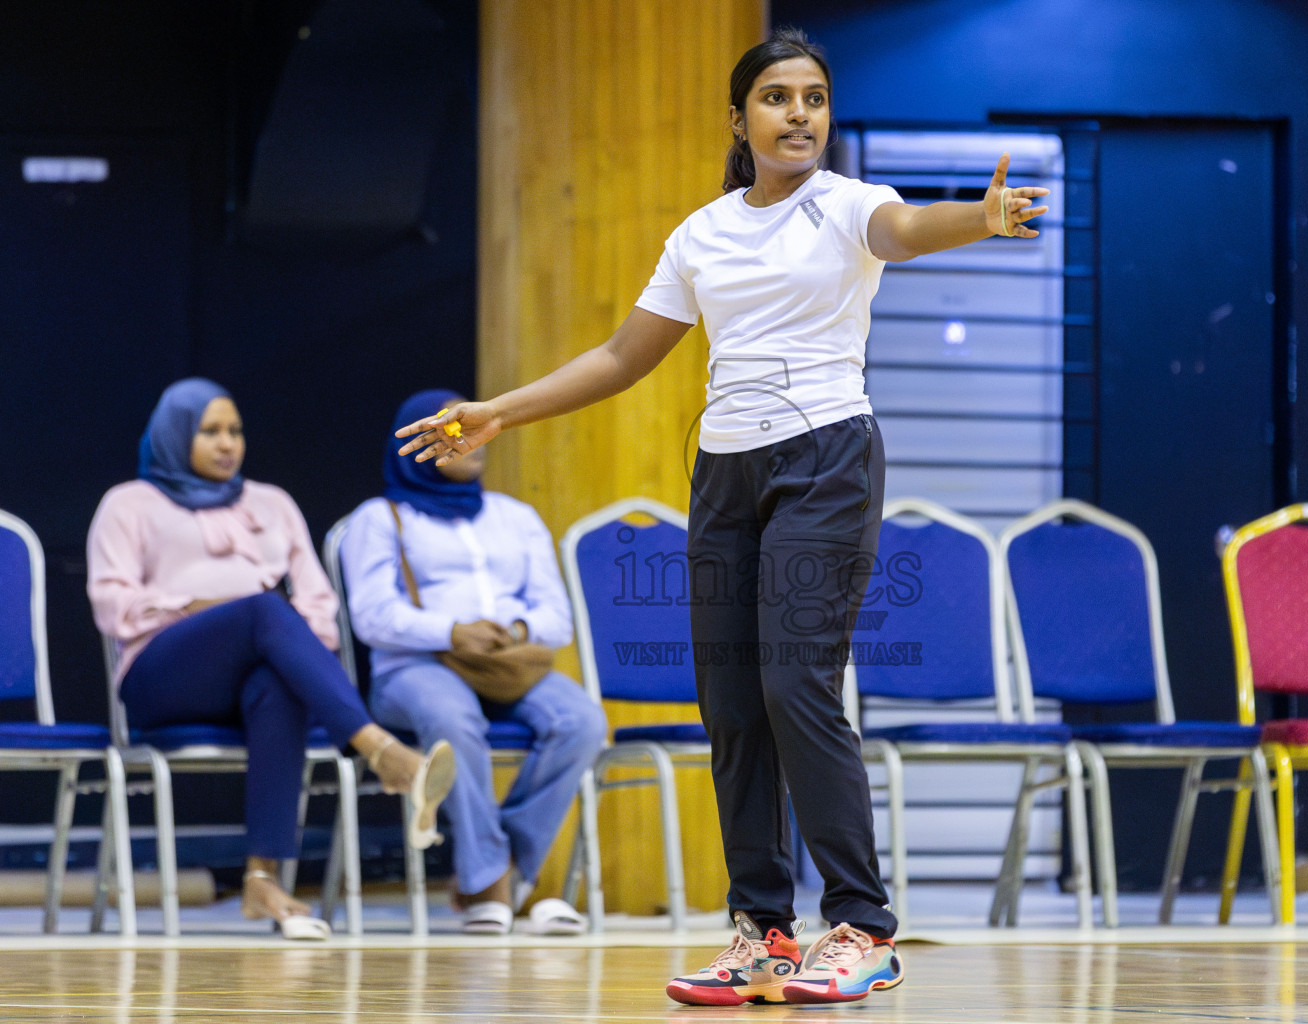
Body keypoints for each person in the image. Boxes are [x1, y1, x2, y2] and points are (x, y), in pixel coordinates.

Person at [396, 27, 1047, 1004]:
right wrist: (500, 409)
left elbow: (908, 232)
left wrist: (981, 217)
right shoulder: (702, 232)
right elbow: (622, 359)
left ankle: (862, 925)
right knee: (734, 705)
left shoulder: (848, 206)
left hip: (826, 458)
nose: (799, 114)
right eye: (778, 97)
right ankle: (762, 930)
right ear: (739, 118)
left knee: (797, 684)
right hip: (725, 472)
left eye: (814, 98)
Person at [88, 378, 456, 941]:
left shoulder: (272, 503)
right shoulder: (129, 504)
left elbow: (318, 602)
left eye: (235, 431)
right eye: (209, 431)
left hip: (252, 670)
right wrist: (191, 607)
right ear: (174, 434)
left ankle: (262, 879)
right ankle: (382, 751)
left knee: (278, 677)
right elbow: (112, 603)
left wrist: (283, 636)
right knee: (262, 610)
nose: (227, 443)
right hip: (161, 673)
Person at [339, 388, 606, 936]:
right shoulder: (379, 518)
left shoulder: (516, 517)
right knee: (453, 717)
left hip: (508, 664)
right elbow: (372, 616)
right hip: (414, 668)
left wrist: (514, 631)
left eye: (471, 427)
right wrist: (452, 631)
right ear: (416, 443)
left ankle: (498, 872)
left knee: (582, 721)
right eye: (450, 429)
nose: (471, 440)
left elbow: (556, 616)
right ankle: (491, 884)